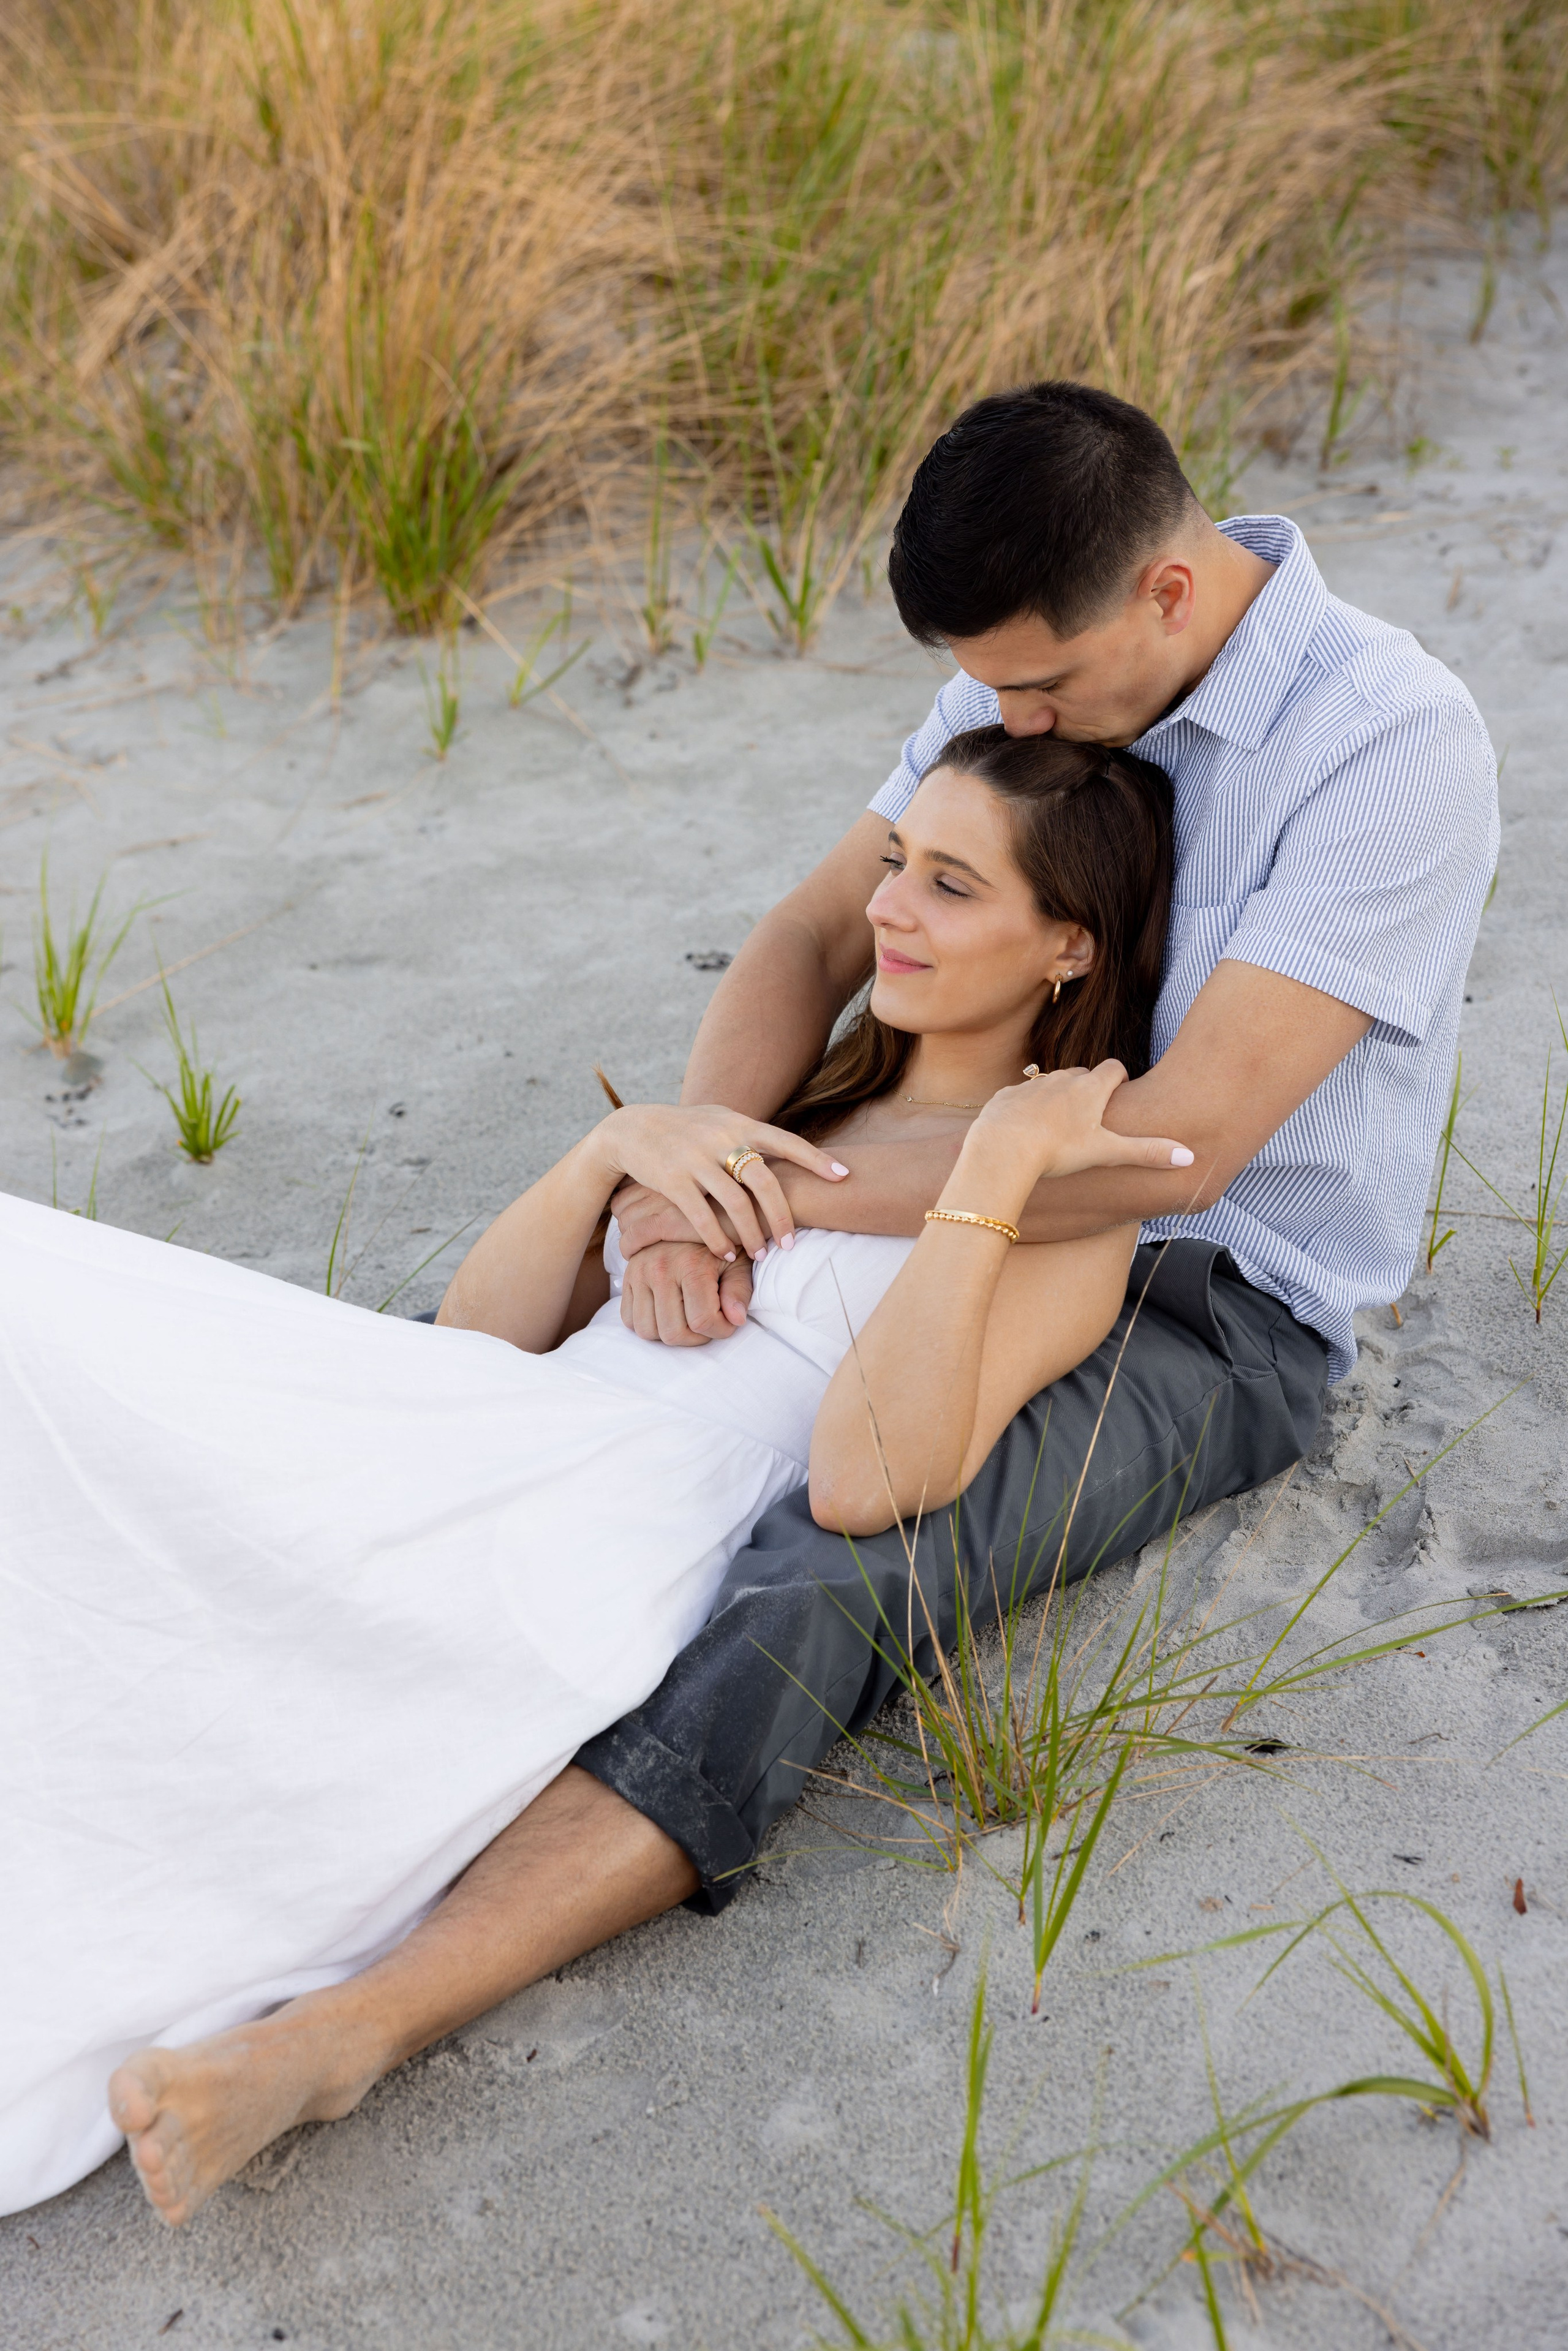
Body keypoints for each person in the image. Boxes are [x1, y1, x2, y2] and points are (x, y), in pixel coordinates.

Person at [61, 377, 1497, 2228]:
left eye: (1041, 693)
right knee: (452, 1384)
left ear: (1166, 589)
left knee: (839, 1564)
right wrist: (677, 1175)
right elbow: (821, 933)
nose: (1010, 721)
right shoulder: (1014, 679)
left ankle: (360, 2023)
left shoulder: (1388, 737)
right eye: (986, 693)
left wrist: (771, 1180)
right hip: (930, 1154)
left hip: (1209, 1284)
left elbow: (1180, 1146)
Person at [4, 731, 1195, 2219]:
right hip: (492, 1430)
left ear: (1066, 943)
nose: (889, 909)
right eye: (896, 864)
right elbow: (474, 1339)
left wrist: (993, 1173)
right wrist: (607, 1162)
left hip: (606, 1525)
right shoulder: (799, 1102)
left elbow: (863, 1475)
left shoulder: (1064, 1222)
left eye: (951, 887)